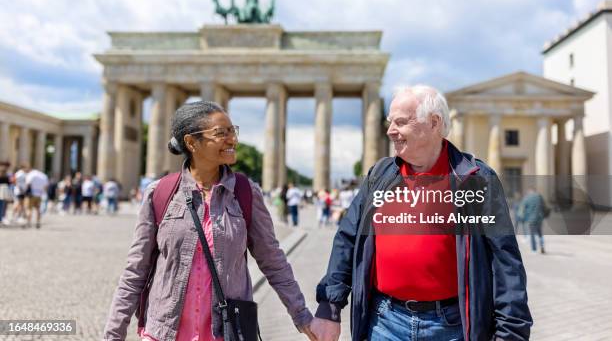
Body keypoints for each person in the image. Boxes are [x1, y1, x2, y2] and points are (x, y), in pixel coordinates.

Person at [311, 85, 532, 341]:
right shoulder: (379, 175)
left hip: (451, 327)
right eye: (390, 121)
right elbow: (347, 239)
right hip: (383, 323)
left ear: (434, 123)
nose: (390, 131)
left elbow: (506, 265)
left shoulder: (475, 179)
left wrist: (511, 334)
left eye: (401, 122)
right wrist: (330, 307)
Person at [104, 101, 316, 341]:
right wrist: (113, 336)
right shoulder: (160, 193)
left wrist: (302, 316)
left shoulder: (246, 194)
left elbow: (273, 262)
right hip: (164, 332)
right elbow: (135, 272)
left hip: (226, 332)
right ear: (191, 142)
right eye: (221, 133)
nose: (232, 139)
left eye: (232, 131)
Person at [520, 188, 546, 254]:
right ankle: (542, 246)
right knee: (540, 233)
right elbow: (544, 207)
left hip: (531, 219)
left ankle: (534, 250)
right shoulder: (539, 197)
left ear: (529, 192)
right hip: (539, 218)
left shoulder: (527, 198)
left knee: (532, 234)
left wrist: (522, 217)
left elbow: (522, 208)